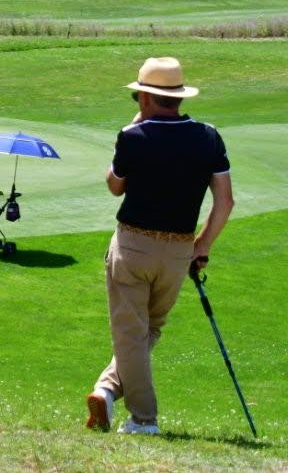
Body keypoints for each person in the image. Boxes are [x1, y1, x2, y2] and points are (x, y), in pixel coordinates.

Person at [85, 57, 235, 435]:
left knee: (130, 332)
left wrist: (132, 128)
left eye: (138, 95)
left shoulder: (133, 136)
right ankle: (106, 389)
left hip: (133, 245)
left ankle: (143, 419)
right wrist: (202, 245)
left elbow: (114, 185)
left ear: (147, 99)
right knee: (148, 328)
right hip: (179, 248)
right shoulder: (208, 136)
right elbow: (225, 201)